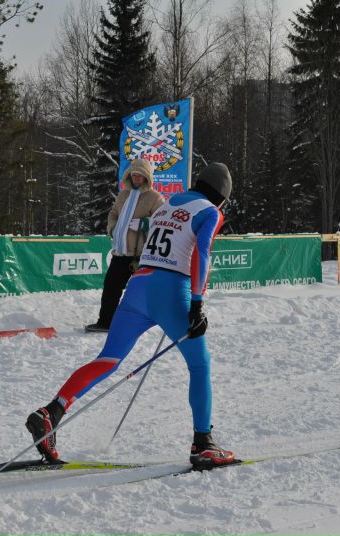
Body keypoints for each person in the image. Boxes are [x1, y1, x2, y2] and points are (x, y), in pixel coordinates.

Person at [27, 163, 235, 468]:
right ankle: (203, 443)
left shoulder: (168, 203)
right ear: (221, 197)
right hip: (170, 290)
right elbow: (201, 252)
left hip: (138, 287)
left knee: (108, 359)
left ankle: (52, 411)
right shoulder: (210, 212)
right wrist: (196, 304)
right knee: (200, 364)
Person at [86, 158, 164, 332]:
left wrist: (145, 224)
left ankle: (151, 323)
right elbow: (113, 214)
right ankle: (105, 322)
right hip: (120, 252)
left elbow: (162, 223)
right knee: (111, 288)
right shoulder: (123, 194)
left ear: (147, 177)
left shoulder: (155, 197)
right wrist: (113, 229)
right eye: (134, 174)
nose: (136, 178)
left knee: (142, 293)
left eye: (140, 175)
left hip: (141, 256)